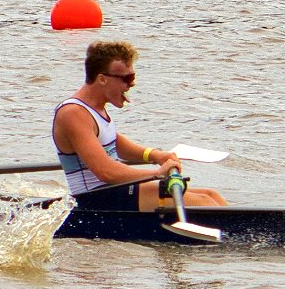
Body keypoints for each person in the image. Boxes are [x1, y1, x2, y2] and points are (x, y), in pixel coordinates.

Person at [52, 40, 228, 212]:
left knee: (211, 194)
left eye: (132, 77)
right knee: (204, 201)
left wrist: (154, 155)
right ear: (102, 79)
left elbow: (113, 141)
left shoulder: (94, 108)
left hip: (113, 191)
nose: (131, 84)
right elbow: (106, 172)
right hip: (96, 200)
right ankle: (238, 235)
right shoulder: (73, 113)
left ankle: (242, 228)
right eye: (127, 78)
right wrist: (158, 173)